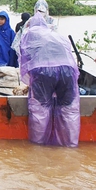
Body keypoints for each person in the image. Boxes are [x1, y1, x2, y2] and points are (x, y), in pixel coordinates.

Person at [19, 12, 80, 147]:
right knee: (69, 109)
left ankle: (38, 146)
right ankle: (70, 146)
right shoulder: (57, 35)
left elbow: (24, 59)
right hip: (67, 71)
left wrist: (31, 81)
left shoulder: (29, 35)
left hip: (43, 71)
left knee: (40, 110)